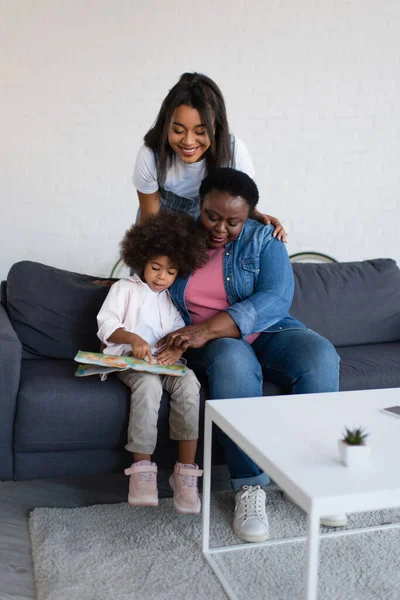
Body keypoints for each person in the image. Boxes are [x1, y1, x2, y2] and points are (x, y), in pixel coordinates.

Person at [156, 168, 342, 543]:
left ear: (250, 216)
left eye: (233, 221)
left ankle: (309, 477)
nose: (220, 229)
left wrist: (208, 326)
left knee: (320, 355)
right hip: (213, 345)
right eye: (212, 216)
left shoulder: (264, 239)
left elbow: (276, 298)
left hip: (269, 331)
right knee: (234, 360)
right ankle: (250, 486)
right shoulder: (175, 237)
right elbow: (148, 277)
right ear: (200, 205)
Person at [97, 211, 208, 514]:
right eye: (155, 267)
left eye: (170, 271)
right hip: (129, 361)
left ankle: (185, 472)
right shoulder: (125, 289)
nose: (161, 276)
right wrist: (133, 339)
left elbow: (174, 333)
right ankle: (142, 470)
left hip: (161, 362)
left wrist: (175, 349)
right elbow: (106, 325)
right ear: (142, 261)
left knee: (189, 382)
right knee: (147, 385)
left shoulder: (171, 299)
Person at [133, 71, 287, 241]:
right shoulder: (150, 156)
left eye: (200, 131)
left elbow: (241, 207)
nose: (189, 141)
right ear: (165, 126)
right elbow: (150, 225)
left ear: (216, 128)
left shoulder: (234, 152)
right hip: (161, 237)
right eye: (178, 131)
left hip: (209, 239)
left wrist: (260, 218)